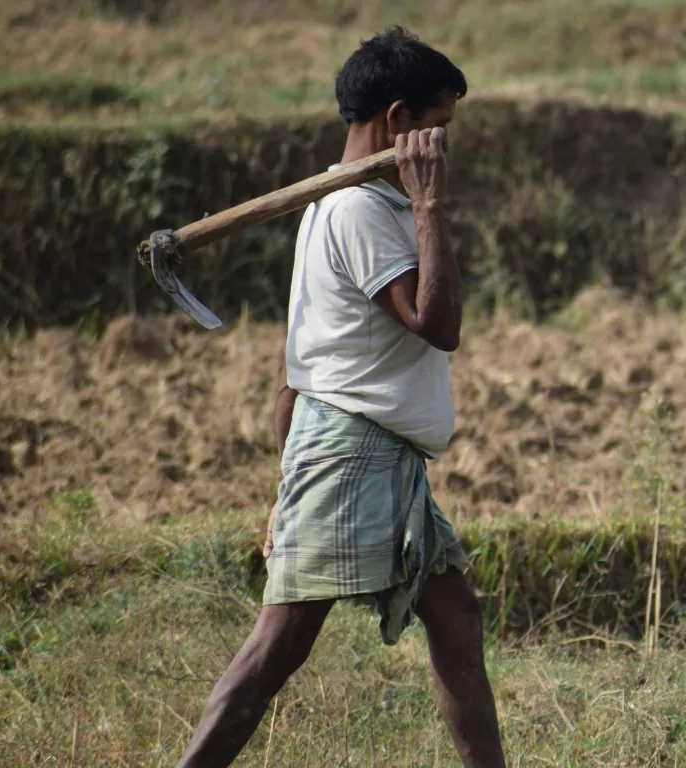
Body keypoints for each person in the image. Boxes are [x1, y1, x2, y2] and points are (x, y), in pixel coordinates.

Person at [176, 27, 504, 768]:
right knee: (279, 644)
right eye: (438, 126)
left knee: (455, 616)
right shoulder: (360, 211)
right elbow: (439, 326)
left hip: (376, 452)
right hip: (353, 452)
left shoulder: (349, 205)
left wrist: (286, 484)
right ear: (398, 120)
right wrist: (430, 207)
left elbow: (297, 367)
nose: (443, 145)